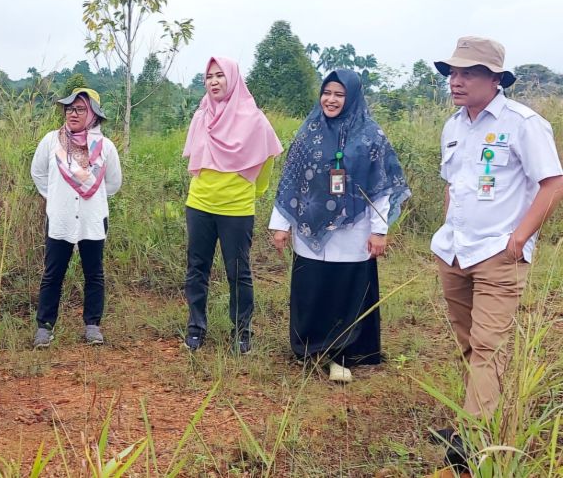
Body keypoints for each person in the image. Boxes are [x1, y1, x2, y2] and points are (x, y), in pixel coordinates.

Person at [429, 36, 563, 471]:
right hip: (455, 252)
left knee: (489, 345)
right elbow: (453, 185)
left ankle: (473, 441)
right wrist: (448, 230)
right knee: (467, 341)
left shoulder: (523, 124)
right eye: (453, 73)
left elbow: (552, 183)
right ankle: (474, 419)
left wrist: (519, 239)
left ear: (495, 79)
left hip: (498, 254)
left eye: (467, 73)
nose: (456, 81)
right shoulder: (453, 126)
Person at [269, 69, 410, 382]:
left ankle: (344, 353)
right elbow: (291, 181)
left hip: (353, 233)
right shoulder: (309, 132)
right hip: (310, 228)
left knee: (347, 290)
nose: (330, 100)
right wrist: (281, 225)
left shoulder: (370, 135)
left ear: (353, 97)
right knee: (312, 287)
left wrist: (379, 231)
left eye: (339, 94)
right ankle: (310, 347)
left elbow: (381, 188)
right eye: (327, 93)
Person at [182, 56, 283, 354]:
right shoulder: (202, 115)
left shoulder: (254, 119)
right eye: (209, 76)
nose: (214, 81)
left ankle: (242, 332)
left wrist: (252, 190)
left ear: (233, 78)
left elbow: (267, 158)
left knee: (238, 272)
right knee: (197, 268)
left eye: (220, 75)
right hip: (199, 203)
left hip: (237, 208)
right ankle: (196, 328)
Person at [30, 88, 122, 347]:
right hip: (60, 218)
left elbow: (113, 183)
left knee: (94, 274)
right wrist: (57, 197)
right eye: (69, 109)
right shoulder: (51, 141)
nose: (72, 114)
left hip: (93, 218)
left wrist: (90, 196)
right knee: (52, 274)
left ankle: (92, 325)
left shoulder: (105, 147)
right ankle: (44, 327)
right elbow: (38, 173)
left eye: (80, 109)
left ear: (93, 114)